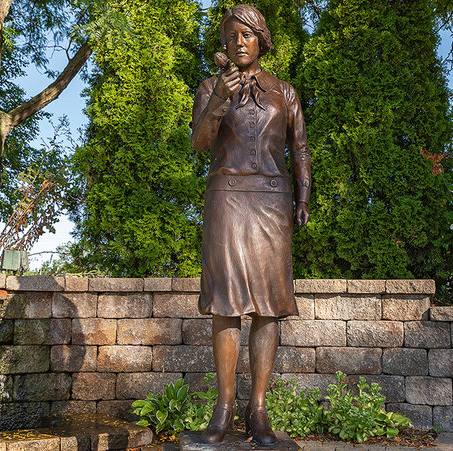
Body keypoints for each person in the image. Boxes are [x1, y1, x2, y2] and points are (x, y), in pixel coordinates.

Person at [190, 4, 311, 446]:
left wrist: (303, 197)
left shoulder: (285, 92)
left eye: (247, 34)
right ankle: (223, 407)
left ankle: (257, 408)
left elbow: (300, 148)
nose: (238, 42)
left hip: (272, 203)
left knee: (269, 304)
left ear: (261, 39)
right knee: (225, 302)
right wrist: (219, 99)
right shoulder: (211, 87)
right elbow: (199, 142)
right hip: (226, 197)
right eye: (231, 36)